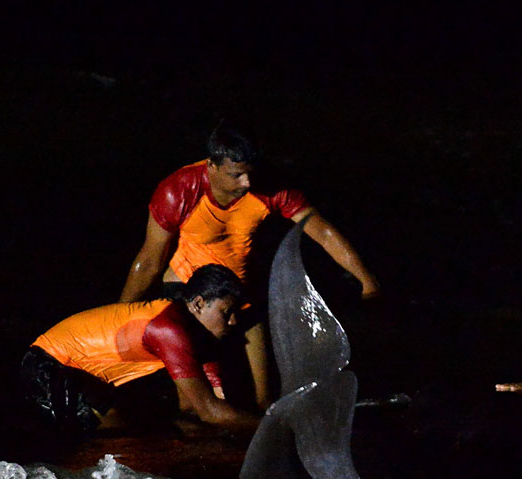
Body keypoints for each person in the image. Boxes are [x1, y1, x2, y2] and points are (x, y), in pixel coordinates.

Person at [119, 124, 381, 408]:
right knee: (200, 403)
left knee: (264, 399)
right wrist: (120, 316)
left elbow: (324, 233)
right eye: (236, 175)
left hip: (240, 292)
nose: (246, 183)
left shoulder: (271, 187)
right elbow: (149, 261)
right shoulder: (179, 189)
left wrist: (368, 283)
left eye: (250, 173)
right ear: (211, 166)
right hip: (188, 291)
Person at [21, 264, 260, 436]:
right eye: (226, 313)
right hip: (49, 367)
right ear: (198, 304)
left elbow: (208, 405)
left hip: (83, 376)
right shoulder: (169, 329)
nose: (234, 322)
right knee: (141, 430)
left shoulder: (200, 334)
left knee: (177, 425)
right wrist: (274, 427)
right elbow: (210, 412)